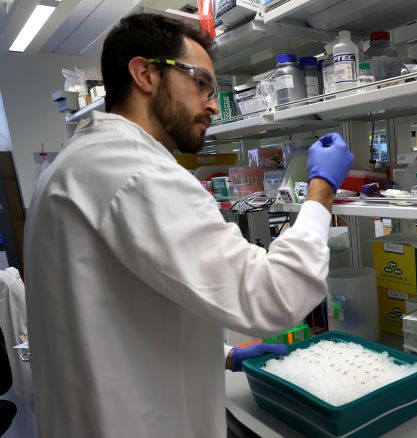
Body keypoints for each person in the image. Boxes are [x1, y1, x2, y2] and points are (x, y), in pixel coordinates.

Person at [23, 13, 353, 438]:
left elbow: (117, 310)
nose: (213, 103)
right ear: (144, 74)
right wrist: (321, 191)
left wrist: (227, 355)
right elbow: (274, 295)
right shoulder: (135, 171)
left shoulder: (75, 162)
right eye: (201, 83)